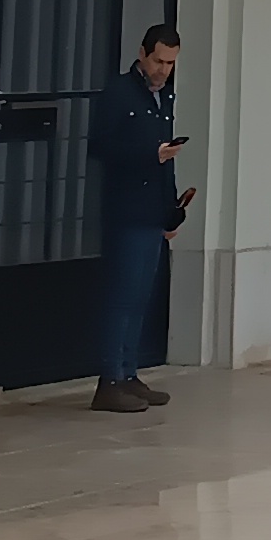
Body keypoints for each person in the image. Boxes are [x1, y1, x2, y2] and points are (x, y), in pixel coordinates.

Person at [85, 24, 196, 412]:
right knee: (122, 296)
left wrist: (171, 214)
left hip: (152, 212)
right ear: (142, 54)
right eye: (159, 61)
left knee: (140, 297)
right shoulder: (119, 93)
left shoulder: (163, 96)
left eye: (171, 63)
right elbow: (100, 148)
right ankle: (110, 379)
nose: (164, 70)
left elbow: (166, 162)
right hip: (126, 210)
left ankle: (129, 373)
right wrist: (150, 154)